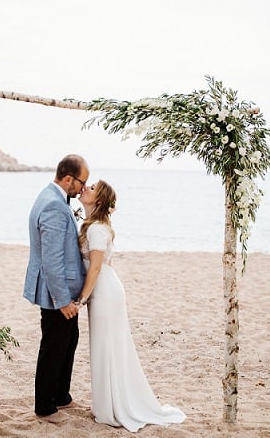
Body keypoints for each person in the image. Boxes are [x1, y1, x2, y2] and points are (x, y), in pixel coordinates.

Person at [76, 180, 186, 432]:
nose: (86, 189)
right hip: (105, 289)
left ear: (100, 201)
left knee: (108, 346)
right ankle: (108, 402)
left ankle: (113, 406)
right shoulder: (95, 226)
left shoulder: (97, 230)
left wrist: (82, 298)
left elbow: (95, 268)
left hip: (104, 292)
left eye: (91, 188)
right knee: (107, 346)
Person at [23, 154, 90, 424]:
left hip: (60, 290)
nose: (83, 188)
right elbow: (52, 261)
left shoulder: (55, 198)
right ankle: (45, 407)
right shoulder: (52, 205)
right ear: (67, 178)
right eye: (82, 182)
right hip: (54, 292)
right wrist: (62, 300)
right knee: (53, 346)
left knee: (68, 341)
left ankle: (61, 396)